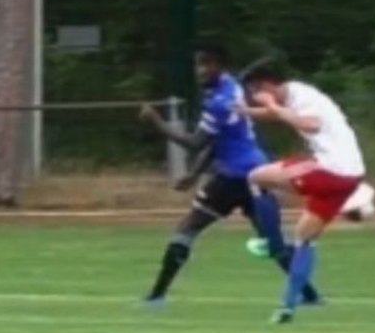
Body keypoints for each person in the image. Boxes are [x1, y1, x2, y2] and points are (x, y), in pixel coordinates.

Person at [137, 45, 320, 306]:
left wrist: (157, 121)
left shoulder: (218, 104)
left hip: (233, 177)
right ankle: (310, 296)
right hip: (258, 172)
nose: (200, 70)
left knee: (187, 229)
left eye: (207, 64)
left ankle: (156, 297)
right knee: (273, 242)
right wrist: (193, 174)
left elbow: (196, 143)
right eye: (198, 64)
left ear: (219, 66)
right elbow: (218, 141)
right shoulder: (231, 87)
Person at [241, 63, 367, 325]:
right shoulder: (292, 97)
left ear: (268, 85)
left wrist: (272, 108)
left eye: (256, 91)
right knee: (304, 239)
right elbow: (277, 114)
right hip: (350, 176)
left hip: (330, 169)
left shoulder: (303, 96)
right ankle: (288, 307)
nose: (255, 96)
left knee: (255, 178)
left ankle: (272, 243)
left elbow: (310, 125)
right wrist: (244, 112)